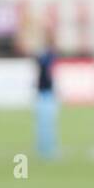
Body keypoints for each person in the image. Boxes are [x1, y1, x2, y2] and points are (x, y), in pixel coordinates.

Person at [34, 30, 60, 159]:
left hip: (47, 91)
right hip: (45, 91)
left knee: (47, 123)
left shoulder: (49, 55)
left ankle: (48, 148)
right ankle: (45, 148)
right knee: (45, 123)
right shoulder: (46, 55)